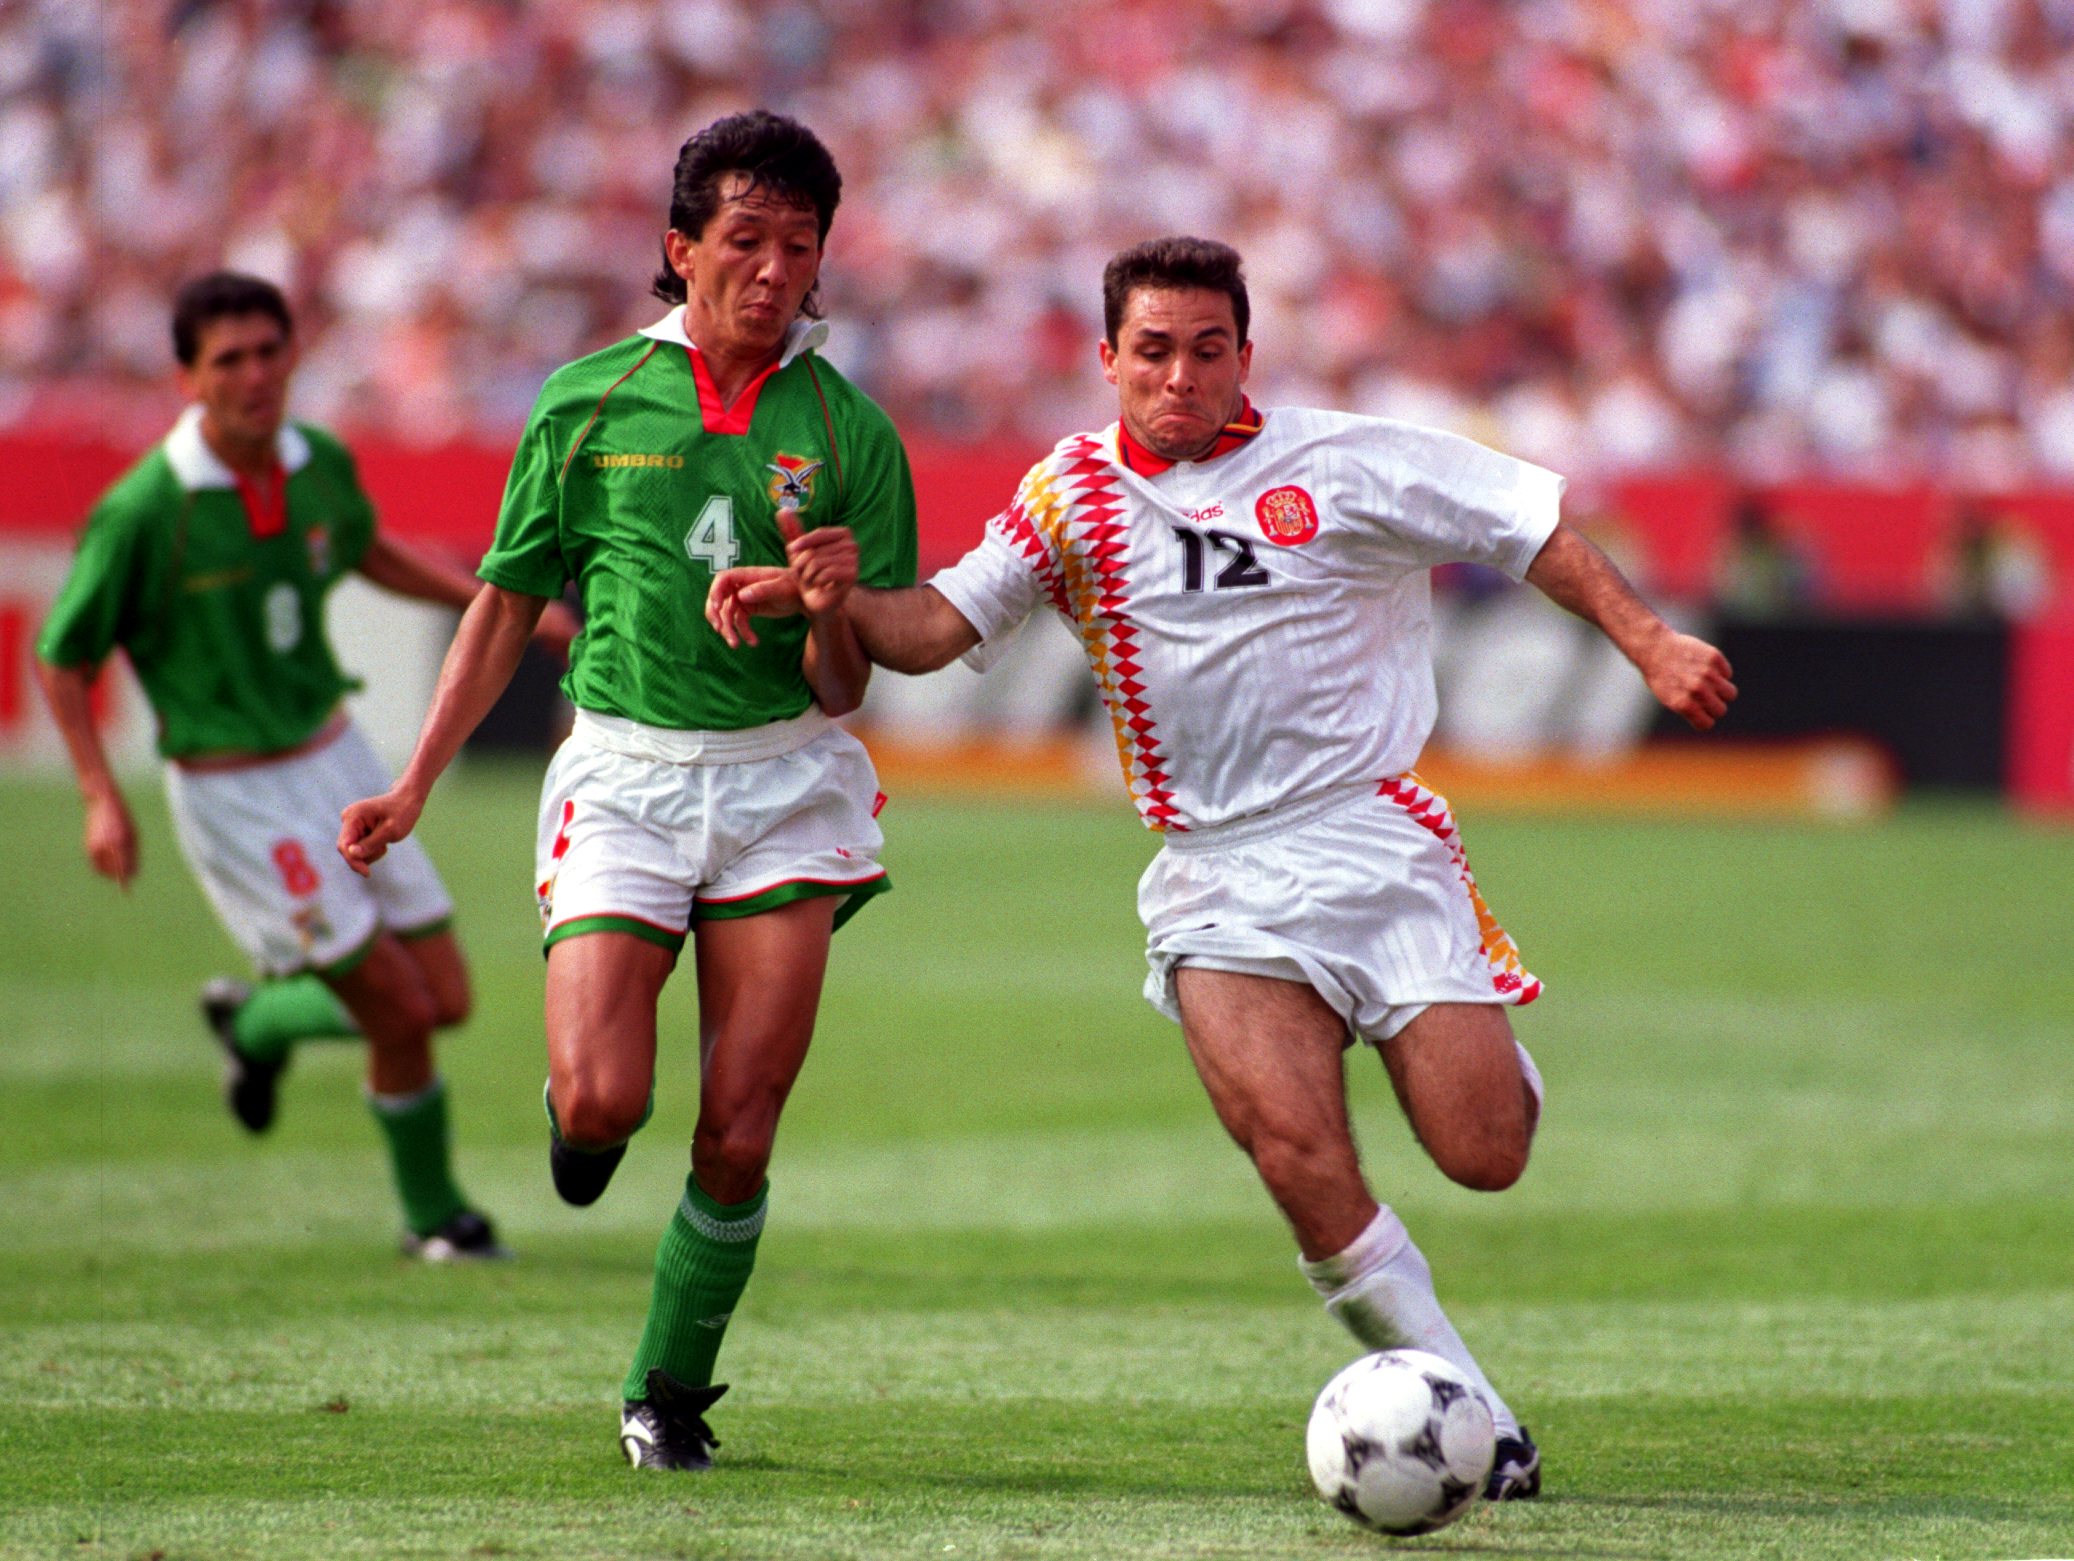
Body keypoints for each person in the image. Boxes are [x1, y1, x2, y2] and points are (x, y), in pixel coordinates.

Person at [708, 236, 1738, 1502]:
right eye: (1153, 351)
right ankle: (1477, 1413)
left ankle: (1491, 1056)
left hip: (1369, 837)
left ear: (1244, 355)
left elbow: (1529, 527)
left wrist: (1648, 639)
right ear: (1108, 360)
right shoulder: (1068, 494)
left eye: (1207, 350)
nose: (1180, 375)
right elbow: (935, 626)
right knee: (1298, 1156)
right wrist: (831, 598)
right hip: (1213, 875)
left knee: (1484, 1150)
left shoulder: (1340, 459)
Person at [336, 111, 918, 1472]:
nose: (774, 270)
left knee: (738, 1122)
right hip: (626, 776)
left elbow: (847, 686)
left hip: (784, 784)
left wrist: (828, 602)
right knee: (602, 1105)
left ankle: (668, 1387)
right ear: (680, 249)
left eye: (799, 246)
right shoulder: (588, 399)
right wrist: (415, 781)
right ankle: (579, 1117)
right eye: (744, 241)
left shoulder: (850, 428)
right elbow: (501, 604)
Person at [35, 271, 572, 1260]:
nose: (254, 375)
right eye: (227, 359)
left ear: (292, 356)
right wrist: (99, 796)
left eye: (268, 351)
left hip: (339, 759)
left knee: (445, 998)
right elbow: (63, 658)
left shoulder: (314, 460)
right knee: (402, 1008)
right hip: (237, 795)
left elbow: (366, 549)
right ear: (188, 378)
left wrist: (485, 602)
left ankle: (258, 1022)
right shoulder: (148, 510)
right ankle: (432, 1217)